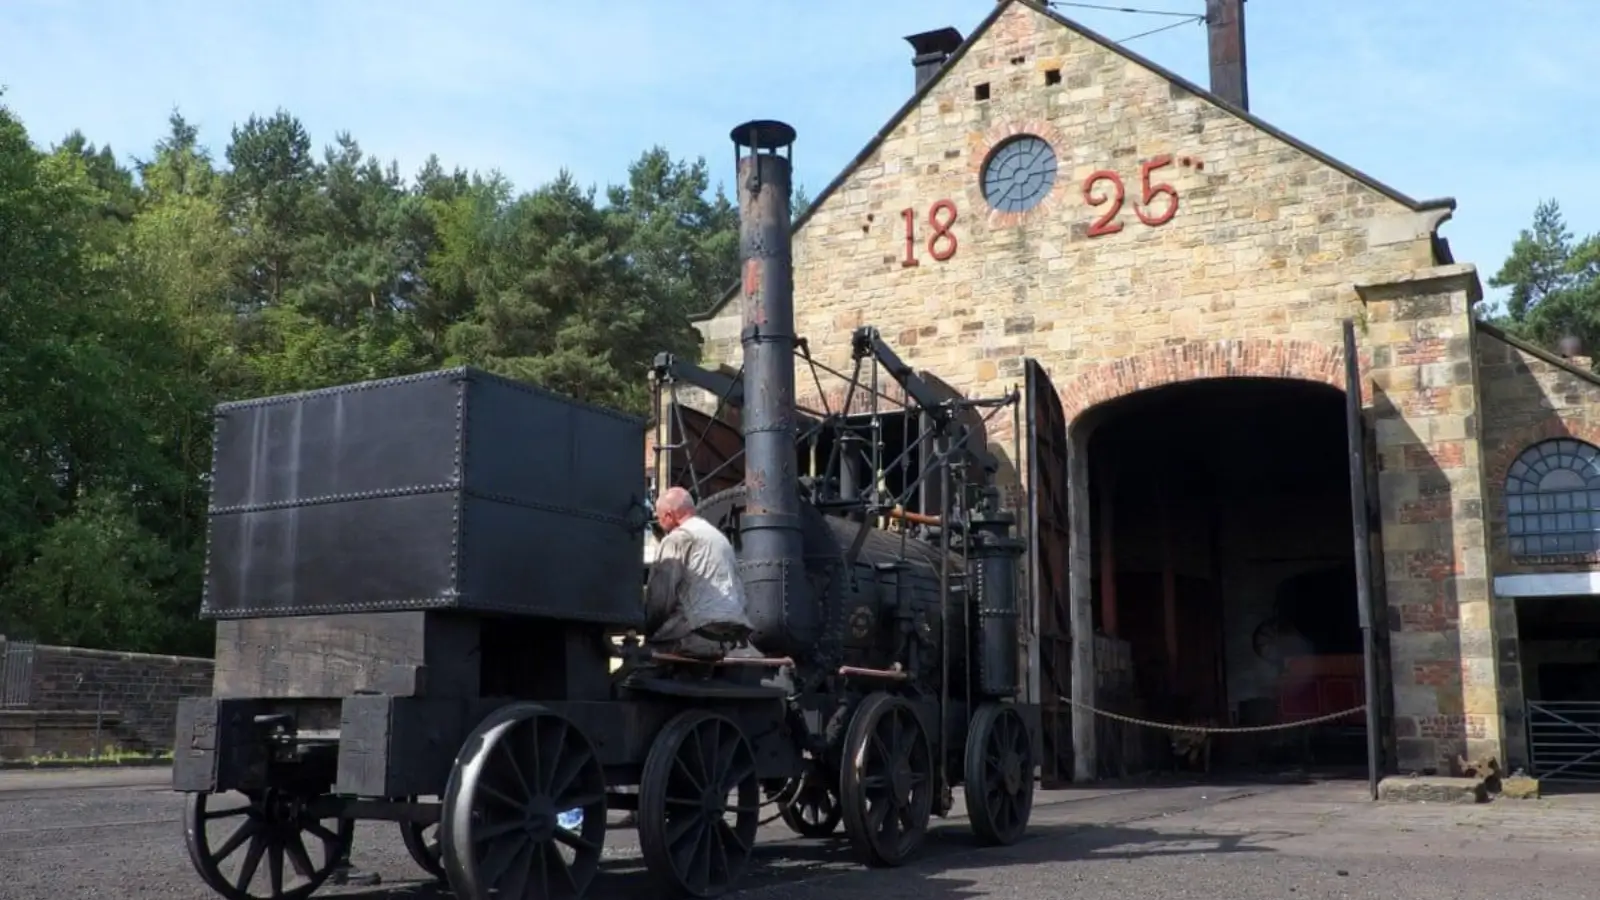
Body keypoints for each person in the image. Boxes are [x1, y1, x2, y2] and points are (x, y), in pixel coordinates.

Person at [642, 487, 757, 658]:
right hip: (725, 639)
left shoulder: (678, 538)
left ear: (668, 515)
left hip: (694, 635)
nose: (659, 523)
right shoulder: (719, 538)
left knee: (636, 669)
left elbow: (660, 601)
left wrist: (644, 629)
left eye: (659, 518)